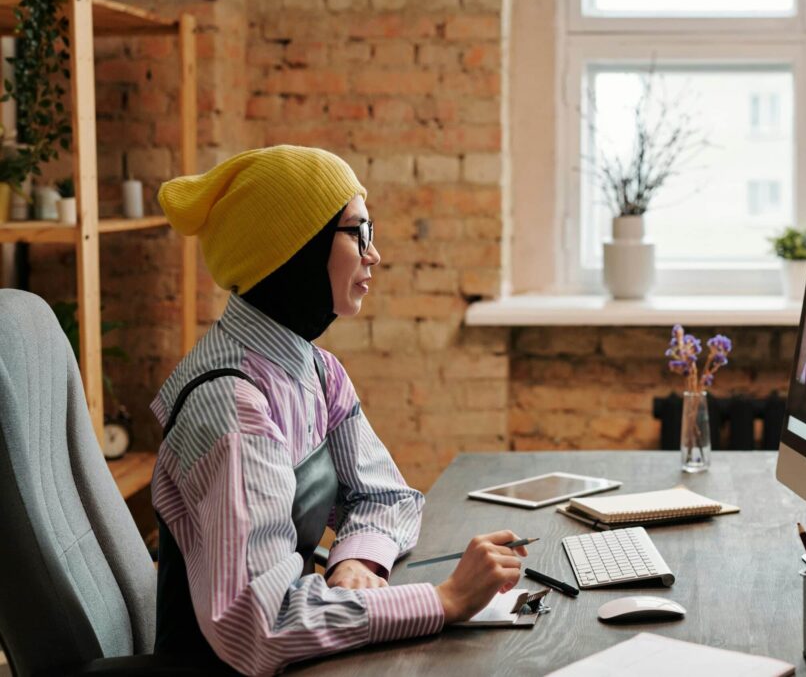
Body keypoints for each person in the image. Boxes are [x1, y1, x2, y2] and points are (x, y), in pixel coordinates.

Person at [151, 146, 527, 676]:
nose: (373, 255)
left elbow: (387, 494)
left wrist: (357, 558)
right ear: (293, 250)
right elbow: (261, 627)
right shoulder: (233, 410)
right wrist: (443, 601)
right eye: (358, 232)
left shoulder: (316, 371)